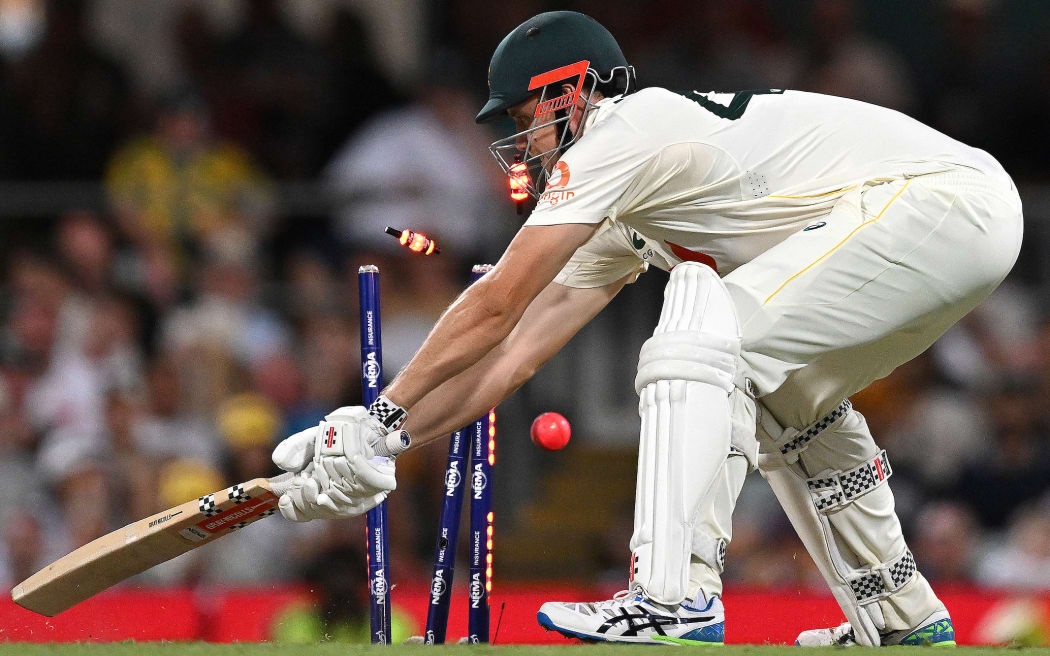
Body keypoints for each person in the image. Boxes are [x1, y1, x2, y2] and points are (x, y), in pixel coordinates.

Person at [269, 11, 1023, 647]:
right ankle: (898, 617)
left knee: (700, 330)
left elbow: (498, 299)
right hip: (950, 224)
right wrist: (379, 443)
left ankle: (673, 597)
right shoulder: (626, 195)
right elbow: (511, 354)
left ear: (570, 91)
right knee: (782, 400)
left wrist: (383, 412)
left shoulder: (624, 128)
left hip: (943, 203)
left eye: (525, 116)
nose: (522, 139)